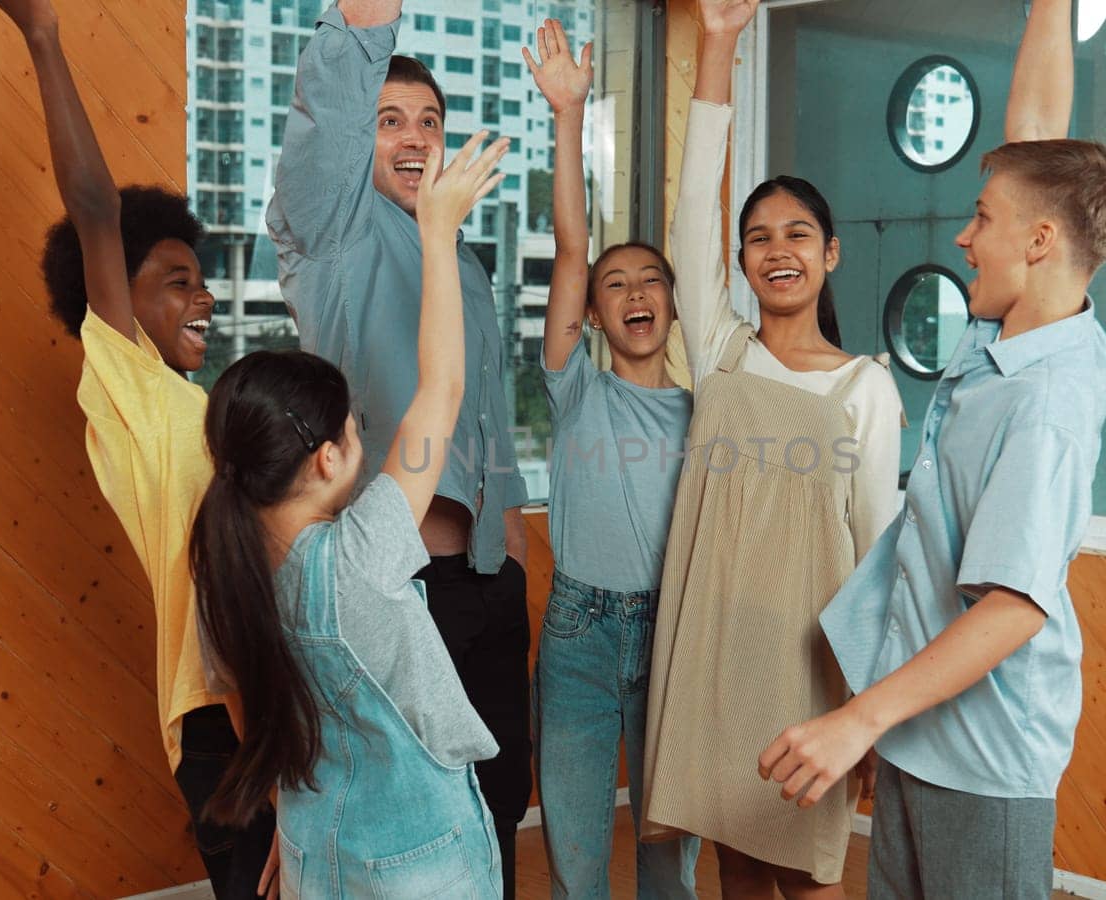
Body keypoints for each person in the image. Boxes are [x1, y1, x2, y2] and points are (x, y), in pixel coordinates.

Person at [758, 0, 1106, 896]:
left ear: (1039, 242)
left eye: (981, 219)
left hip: (985, 759)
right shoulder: (1012, 329)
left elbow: (1014, 606)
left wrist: (856, 720)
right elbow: (1033, 141)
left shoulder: (1045, 400)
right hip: (922, 733)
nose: (964, 236)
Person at [0, 0, 274, 894]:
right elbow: (95, 211)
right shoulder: (131, 390)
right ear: (116, 301)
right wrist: (43, 34)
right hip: (211, 715)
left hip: (262, 698)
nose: (204, 301)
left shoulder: (201, 405)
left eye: (203, 283)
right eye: (177, 282)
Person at [192, 133, 509, 899]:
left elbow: (245, 711)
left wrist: (293, 824)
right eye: (355, 428)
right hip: (421, 860)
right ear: (327, 458)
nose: (363, 439)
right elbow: (442, 392)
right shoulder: (364, 555)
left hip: (313, 846)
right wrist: (436, 233)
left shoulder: (223, 572)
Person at [639, 1, 905, 896]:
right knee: (736, 861)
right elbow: (689, 206)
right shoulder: (721, 349)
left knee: (812, 874)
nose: (776, 250)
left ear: (829, 255)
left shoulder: (863, 387)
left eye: (797, 235)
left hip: (811, 666)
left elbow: (878, 553)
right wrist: (717, 45)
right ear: (740, 264)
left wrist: (867, 712)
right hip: (715, 647)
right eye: (758, 237)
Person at [266, 3, 532, 891]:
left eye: (429, 121)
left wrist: (512, 558)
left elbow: (482, 413)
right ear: (357, 142)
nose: (414, 139)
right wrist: (361, 22)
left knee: (492, 813)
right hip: (394, 591)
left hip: (487, 587)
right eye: (389, 122)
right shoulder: (330, 228)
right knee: (408, 838)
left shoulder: (460, 255)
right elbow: (326, 111)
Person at [521, 19, 701, 899]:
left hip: (675, 630)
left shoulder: (712, 412)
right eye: (615, 285)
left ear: (673, 303)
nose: (634, 292)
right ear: (591, 315)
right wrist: (568, 116)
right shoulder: (575, 389)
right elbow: (569, 247)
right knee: (578, 862)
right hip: (578, 637)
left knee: (671, 860)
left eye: (651, 280)